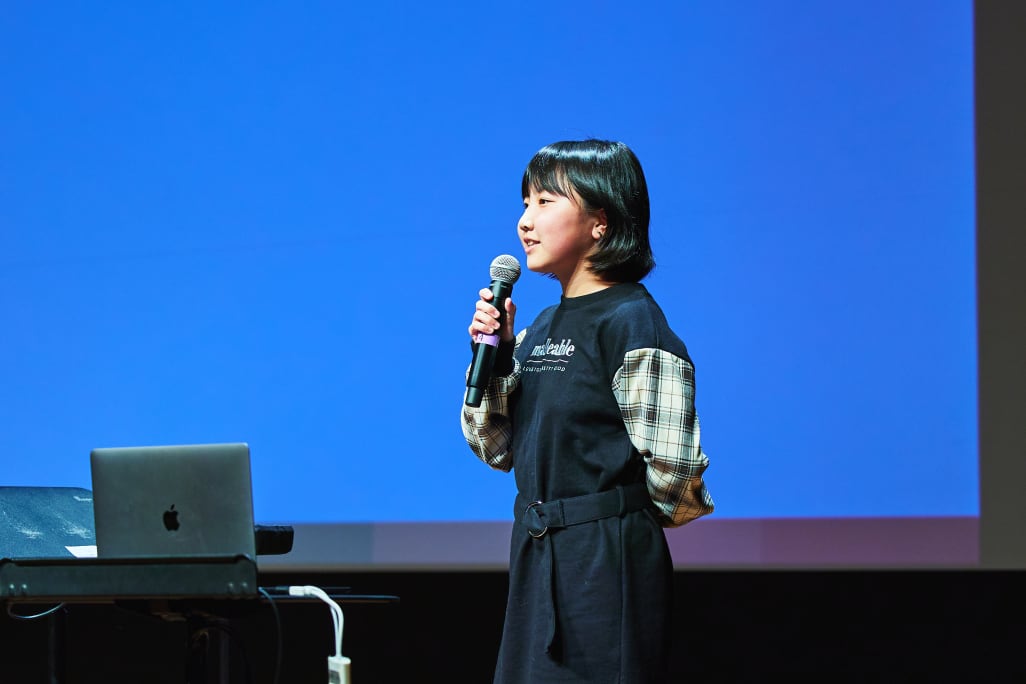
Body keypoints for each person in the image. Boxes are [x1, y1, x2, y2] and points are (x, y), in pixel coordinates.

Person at [460, 138, 714, 684]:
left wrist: (612, 521)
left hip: (605, 562)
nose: (525, 222)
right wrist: (497, 352)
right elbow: (494, 446)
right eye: (525, 203)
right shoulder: (540, 327)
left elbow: (678, 479)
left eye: (545, 203)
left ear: (600, 221)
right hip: (537, 555)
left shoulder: (631, 321)